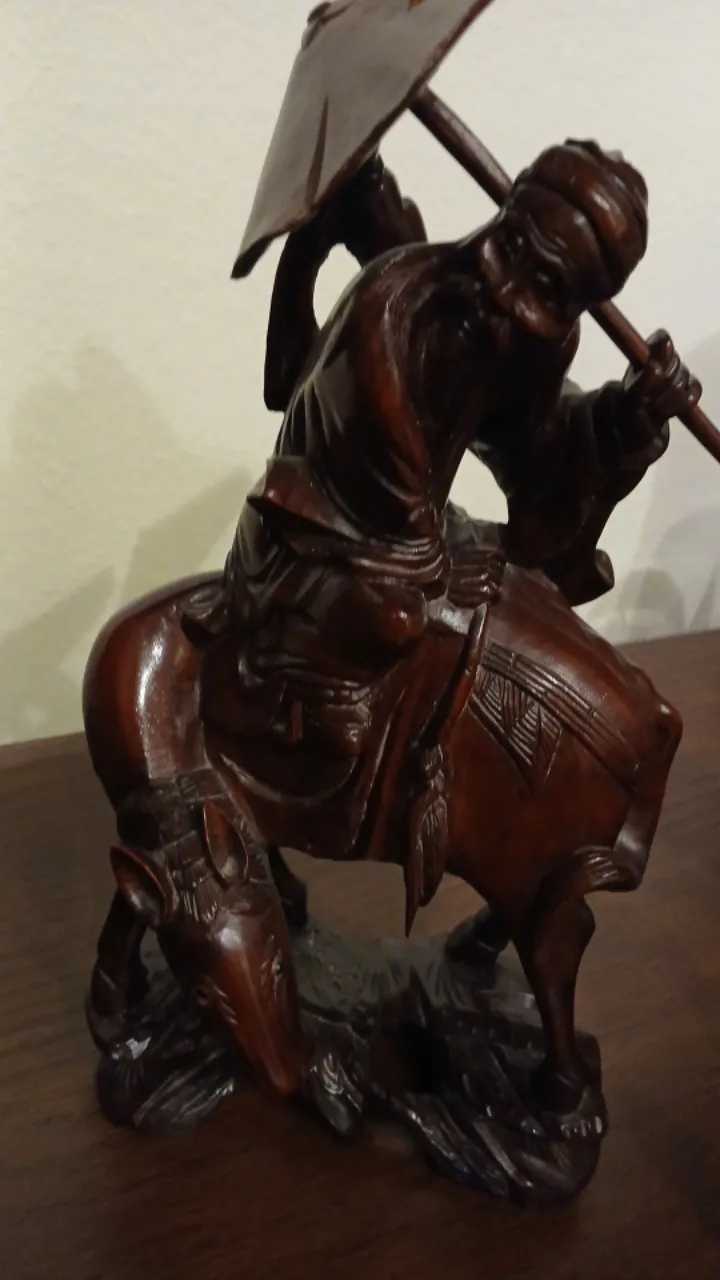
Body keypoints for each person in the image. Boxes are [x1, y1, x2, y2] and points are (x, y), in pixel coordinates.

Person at [194, 140, 699, 763]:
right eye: (509, 248)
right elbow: (380, 487)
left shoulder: (528, 340)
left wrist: (621, 422)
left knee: (528, 609)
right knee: (396, 622)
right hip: (326, 535)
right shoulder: (387, 311)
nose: (504, 292)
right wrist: (444, 567)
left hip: (415, 536)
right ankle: (279, 724)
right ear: (503, 214)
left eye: (545, 288)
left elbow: (530, 448)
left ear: (573, 307)